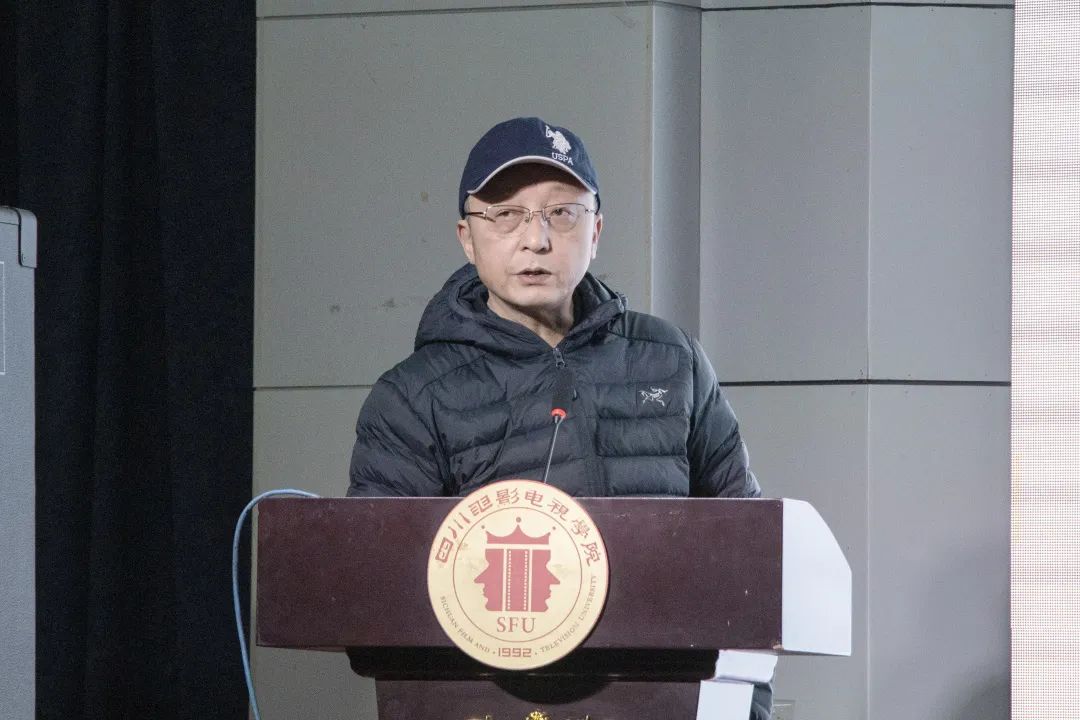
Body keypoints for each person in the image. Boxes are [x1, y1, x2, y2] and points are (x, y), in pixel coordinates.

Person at [346, 116, 770, 720]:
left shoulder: (673, 361)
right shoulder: (412, 396)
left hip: (662, 701)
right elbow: (374, 601)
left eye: (561, 214)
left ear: (596, 230)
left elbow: (751, 561)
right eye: (506, 215)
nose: (536, 240)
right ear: (467, 237)